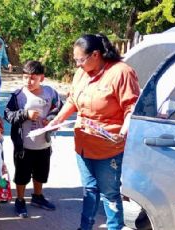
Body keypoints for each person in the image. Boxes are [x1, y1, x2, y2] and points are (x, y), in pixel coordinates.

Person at [48, 34, 140, 230]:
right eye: (75, 60)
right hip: (83, 144)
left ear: (96, 55)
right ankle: (85, 227)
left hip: (109, 147)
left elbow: (131, 108)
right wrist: (56, 120)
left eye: (80, 60)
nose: (77, 65)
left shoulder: (121, 72)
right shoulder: (81, 73)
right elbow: (73, 100)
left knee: (110, 193)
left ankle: (114, 227)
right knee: (89, 190)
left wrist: (123, 133)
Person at [4, 61, 62, 218]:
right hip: (23, 146)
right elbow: (8, 115)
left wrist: (50, 118)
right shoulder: (18, 96)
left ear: (41, 78)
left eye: (32, 78)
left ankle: (37, 196)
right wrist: (25, 115)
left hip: (43, 144)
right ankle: (20, 200)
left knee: (41, 173)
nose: (28, 81)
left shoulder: (51, 93)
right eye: (25, 77)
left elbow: (59, 109)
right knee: (22, 174)